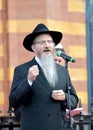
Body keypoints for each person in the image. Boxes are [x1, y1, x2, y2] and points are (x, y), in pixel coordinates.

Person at [9, 23, 78, 130]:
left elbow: (74, 100)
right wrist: (29, 81)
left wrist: (65, 97)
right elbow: (13, 100)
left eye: (50, 42)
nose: (47, 45)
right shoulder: (22, 70)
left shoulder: (62, 71)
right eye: (42, 42)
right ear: (33, 48)